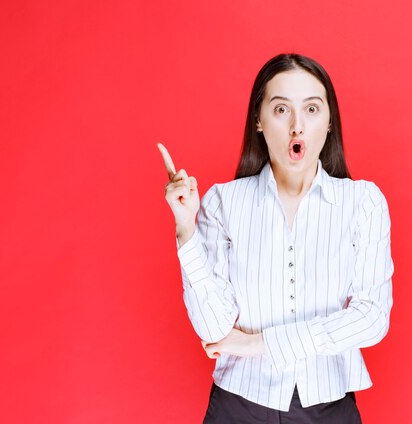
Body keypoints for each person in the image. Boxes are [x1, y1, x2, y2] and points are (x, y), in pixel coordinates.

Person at [158, 53, 394, 423]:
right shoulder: (223, 201)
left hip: (330, 407)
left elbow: (372, 318)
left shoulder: (363, 202)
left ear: (330, 122)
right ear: (259, 121)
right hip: (238, 405)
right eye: (282, 110)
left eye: (312, 109)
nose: (297, 126)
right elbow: (215, 329)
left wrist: (260, 343)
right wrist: (186, 231)